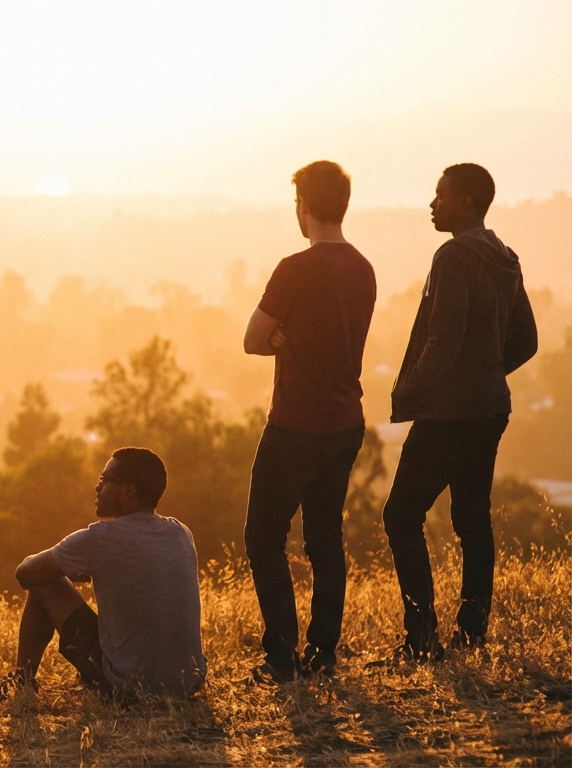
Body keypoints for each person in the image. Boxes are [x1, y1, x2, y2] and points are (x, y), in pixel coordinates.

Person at [375, 164, 538, 664]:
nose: (432, 204)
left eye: (440, 195)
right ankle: (472, 633)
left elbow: (443, 343)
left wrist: (410, 389)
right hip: (488, 408)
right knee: (472, 520)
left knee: (401, 514)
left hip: (448, 413)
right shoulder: (505, 258)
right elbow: (527, 341)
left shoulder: (452, 256)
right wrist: (487, 371)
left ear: (466, 201)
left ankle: (422, 637)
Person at [241, 161, 377, 683]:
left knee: (263, 537)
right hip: (345, 422)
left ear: (304, 207)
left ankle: (281, 657)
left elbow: (253, 339)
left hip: (295, 422)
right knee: (325, 539)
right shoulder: (363, 267)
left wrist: (281, 337)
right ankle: (323, 652)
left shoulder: (294, 268)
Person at [0, 447, 206, 703]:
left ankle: (21, 682)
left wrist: (68, 570)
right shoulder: (180, 532)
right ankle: (21, 682)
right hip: (187, 681)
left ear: (128, 491)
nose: (97, 488)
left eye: (104, 480)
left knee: (45, 582)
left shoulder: (100, 539)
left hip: (128, 686)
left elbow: (26, 574)